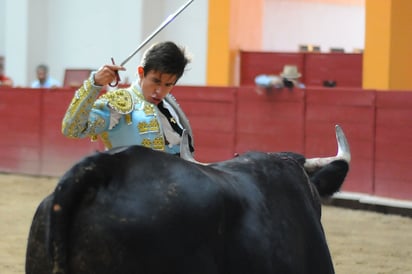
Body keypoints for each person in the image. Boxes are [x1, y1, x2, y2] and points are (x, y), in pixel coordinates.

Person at [61, 41, 194, 156]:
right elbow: (72, 129)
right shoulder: (120, 104)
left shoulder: (169, 104)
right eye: (155, 81)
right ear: (141, 73)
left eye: (168, 84)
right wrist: (93, 84)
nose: (160, 91)